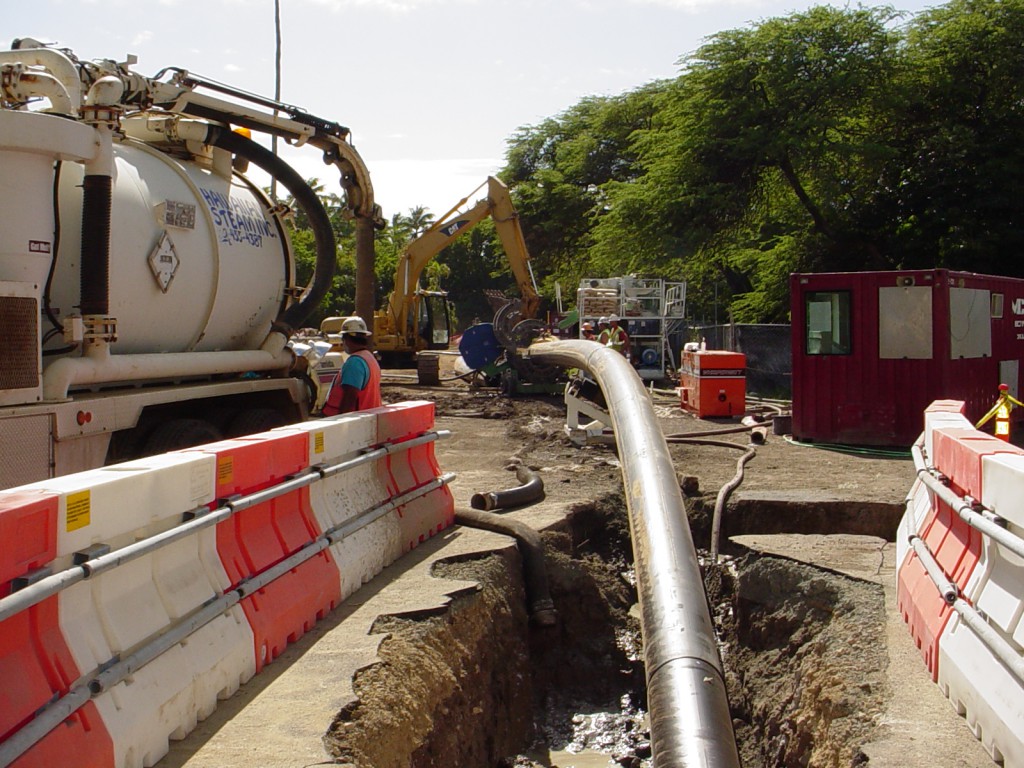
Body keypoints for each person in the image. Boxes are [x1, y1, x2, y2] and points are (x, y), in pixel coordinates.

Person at [321, 316, 382, 415]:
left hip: (356, 421)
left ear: (346, 339)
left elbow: (349, 399)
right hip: (367, 417)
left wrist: (341, 422)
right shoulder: (369, 357)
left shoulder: (354, 362)